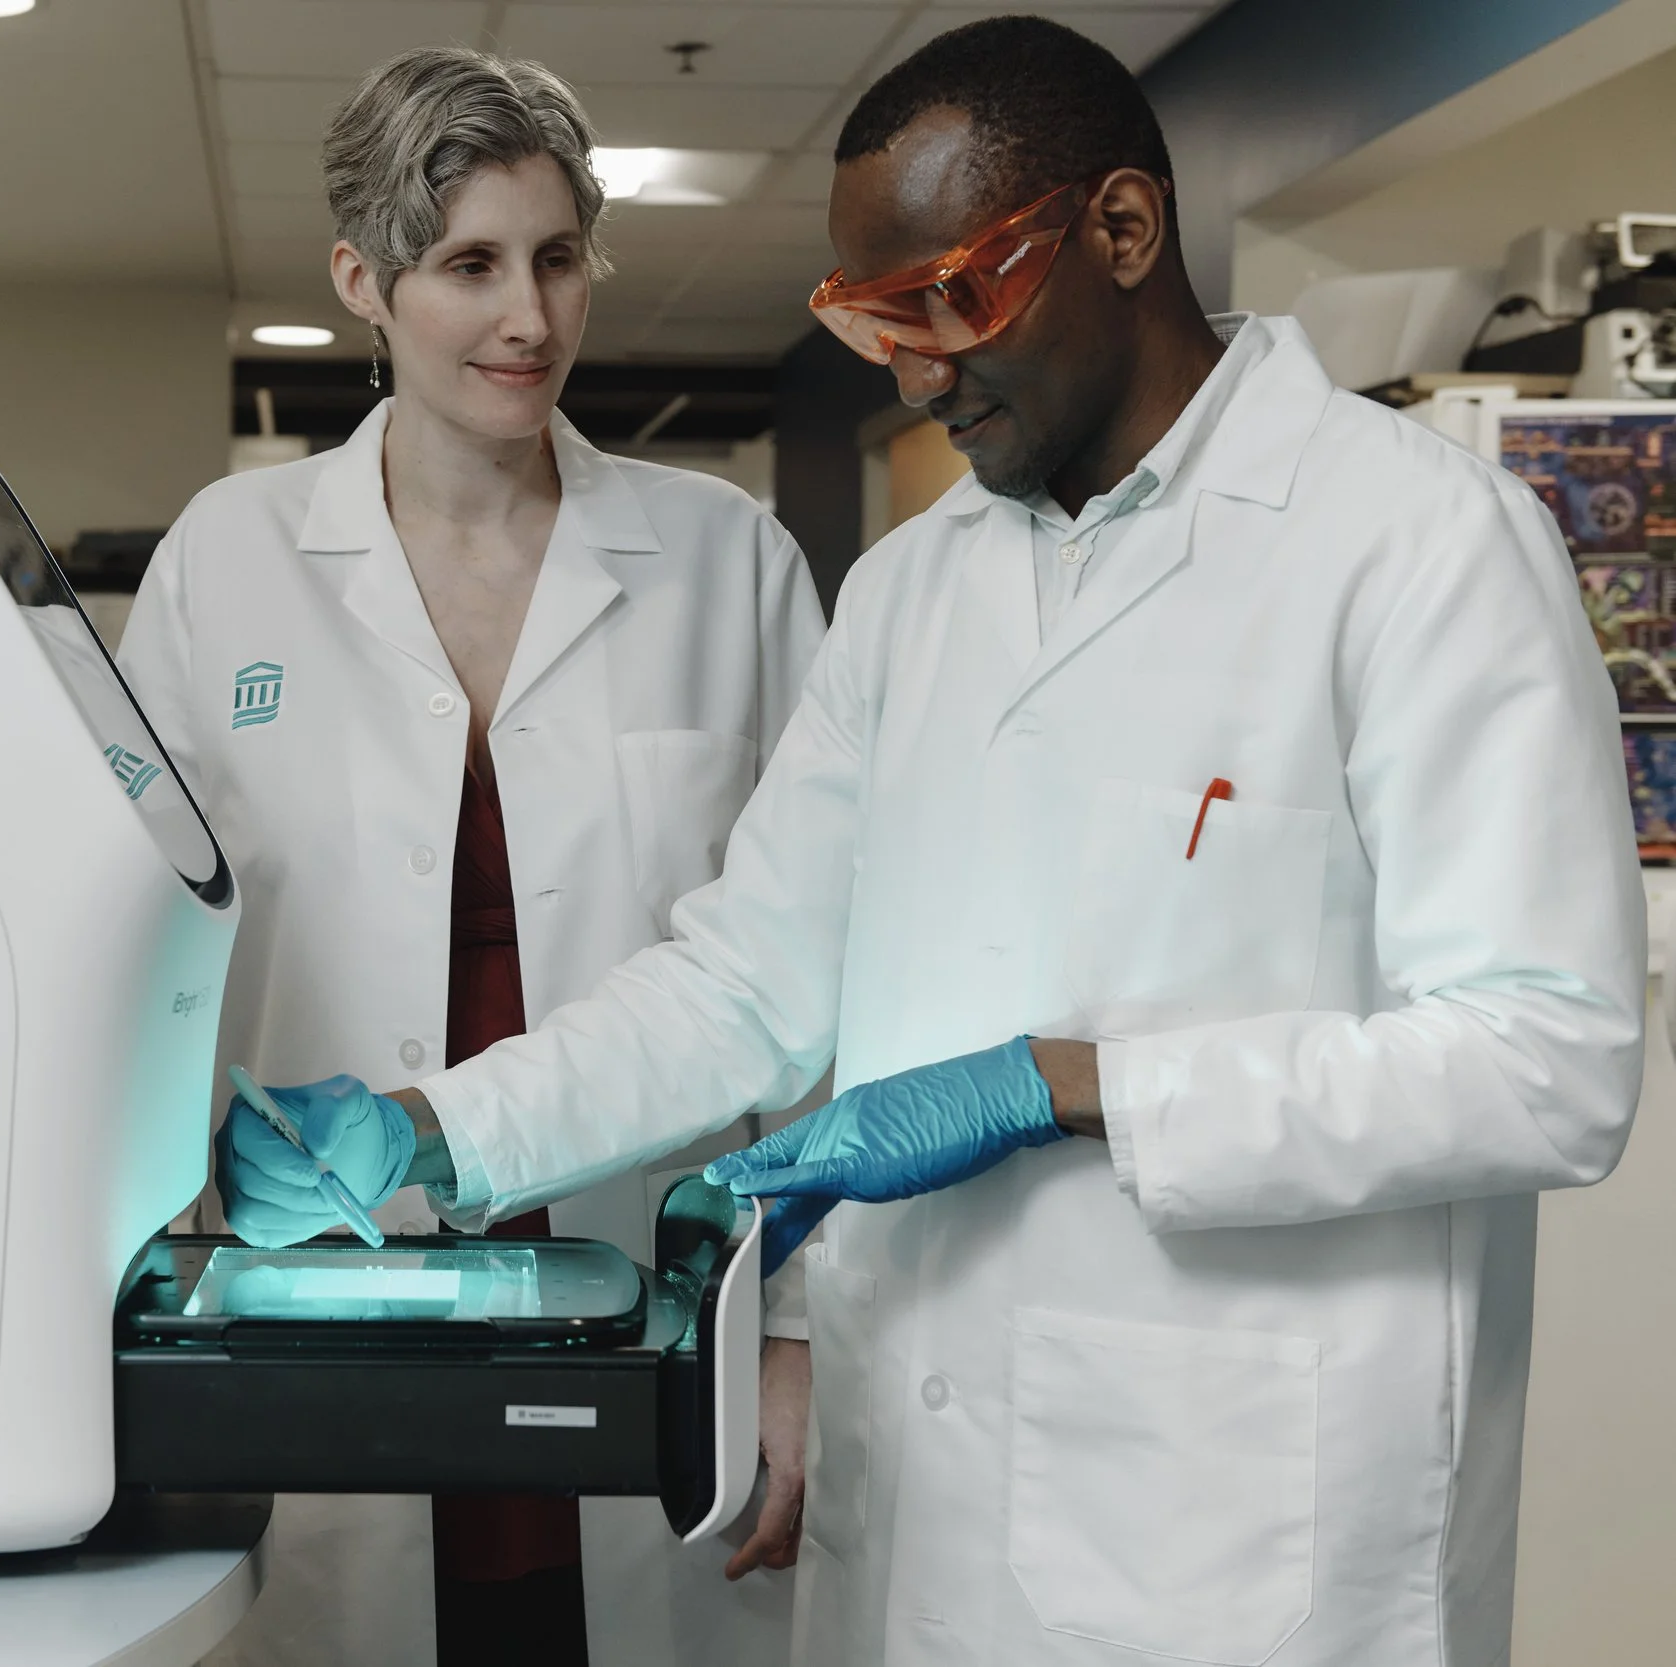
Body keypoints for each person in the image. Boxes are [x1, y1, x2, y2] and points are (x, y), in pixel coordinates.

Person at [214, 16, 1646, 1665]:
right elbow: (742, 984)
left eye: (941, 300)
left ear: (1119, 232)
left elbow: (1551, 1053)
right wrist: (438, 1134)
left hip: (1240, 1532)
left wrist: (1074, 1082)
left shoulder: (1418, 544)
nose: (906, 369)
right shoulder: (914, 588)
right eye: (865, 318)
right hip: (926, 1516)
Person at [116, 45, 823, 1667]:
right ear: (365, 279)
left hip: (653, 1277)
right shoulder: (229, 565)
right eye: (472, 266)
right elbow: (147, 953)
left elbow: (813, 981)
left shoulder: (730, 562)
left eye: (560, 258)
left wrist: (791, 1331)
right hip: (323, 1291)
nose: (531, 319)